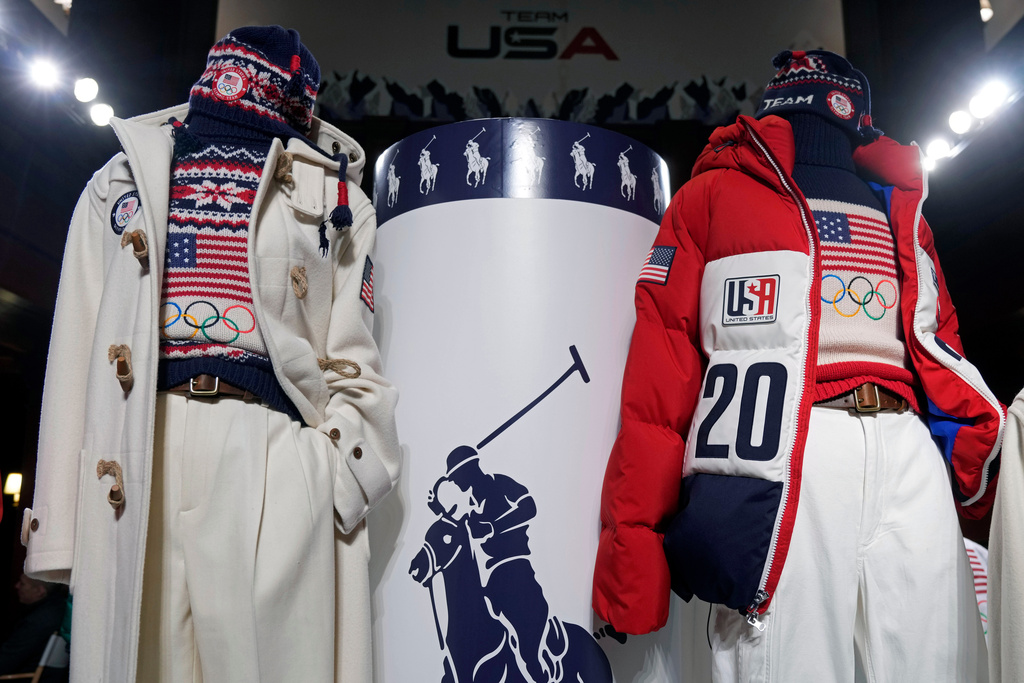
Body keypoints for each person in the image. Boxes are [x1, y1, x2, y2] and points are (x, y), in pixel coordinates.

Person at [593, 50, 1002, 682]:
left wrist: (983, 460)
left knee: (939, 663)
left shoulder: (904, 208)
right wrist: (633, 557)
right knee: (785, 665)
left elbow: (940, 346)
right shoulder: (711, 196)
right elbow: (657, 390)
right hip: (787, 457)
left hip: (908, 452)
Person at [22, 26, 400, 683]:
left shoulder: (337, 199)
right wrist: (61, 531)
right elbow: (76, 352)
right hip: (140, 452)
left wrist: (330, 481)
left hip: (273, 451)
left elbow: (354, 362)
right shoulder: (119, 182)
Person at [430, 446, 553, 683]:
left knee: (524, 627)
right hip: (491, 577)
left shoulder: (502, 485)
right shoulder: (471, 503)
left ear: (471, 469)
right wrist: (438, 508)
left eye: (457, 478)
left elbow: (529, 507)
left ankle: (536, 667)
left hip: (517, 569)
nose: (457, 483)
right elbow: (457, 533)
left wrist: (493, 527)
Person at [0, 574, 68, 675]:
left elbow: (5, 663)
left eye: (22, 584)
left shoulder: (40, 620)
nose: (17, 586)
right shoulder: (61, 608)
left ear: (40, 591)